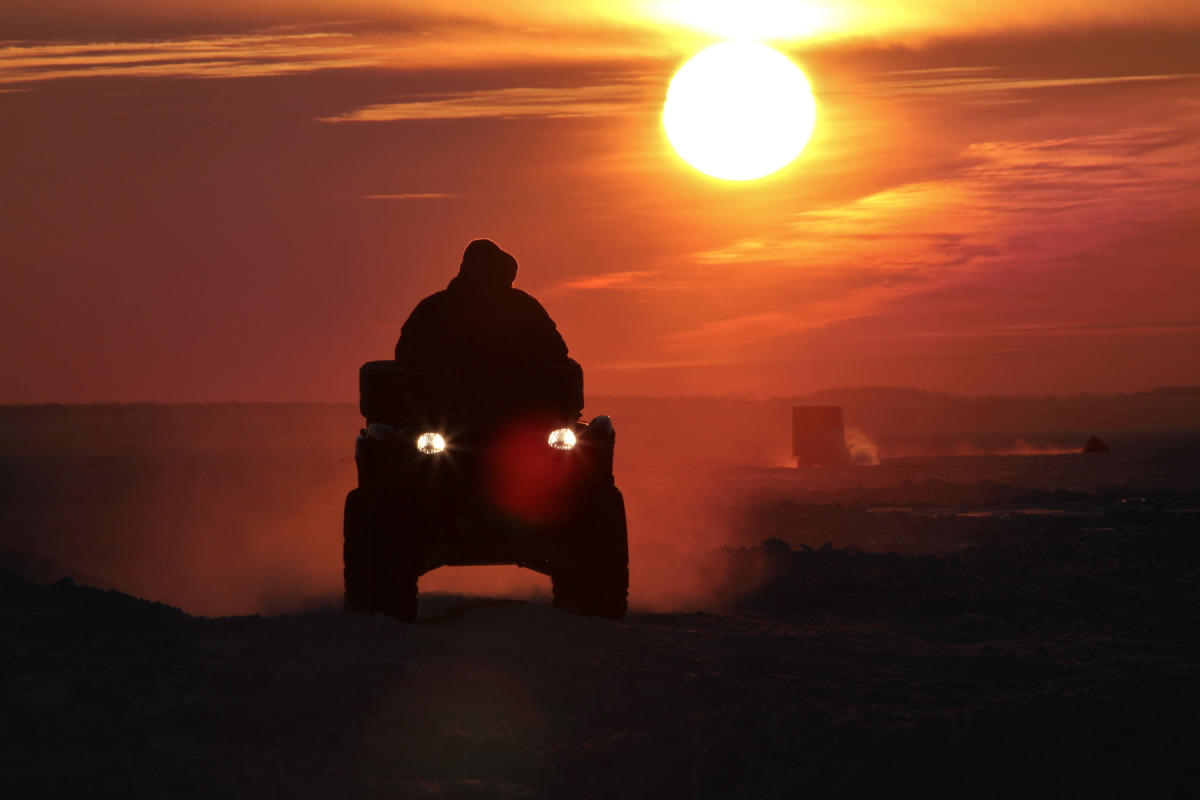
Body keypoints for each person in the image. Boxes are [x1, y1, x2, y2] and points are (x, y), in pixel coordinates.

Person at [395, 237, 570, 372]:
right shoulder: (434, 309)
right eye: (485, 269)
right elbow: (407, 354)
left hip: (514, 403)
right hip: (448, 405)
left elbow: (556, 351)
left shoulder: (524, 307)